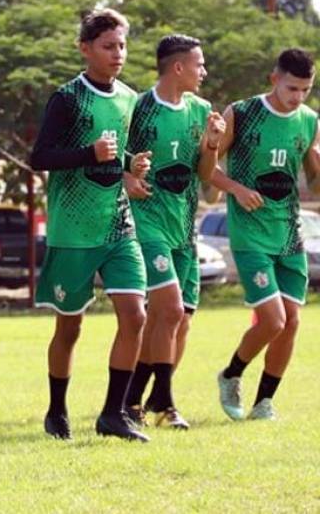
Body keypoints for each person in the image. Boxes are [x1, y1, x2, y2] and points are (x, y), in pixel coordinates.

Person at [29, 8, 152, 442]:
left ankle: (112, 414)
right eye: (108, 46)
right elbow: (39, 157)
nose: (118, 53)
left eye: (122, 45)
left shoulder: (130, 98)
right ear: (85, 49)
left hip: (118, 225)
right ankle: (56, 408)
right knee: (70, 327)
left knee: (135, 315)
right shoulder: (67, 98)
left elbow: (119, 157)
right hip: (73, 232)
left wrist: (132, 167)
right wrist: (89, 153)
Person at [122, 35, 224, 429]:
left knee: (180, 321)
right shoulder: (138, 108)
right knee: (170, 309)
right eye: (199, 65)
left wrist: (213, 145)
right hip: (147, 224)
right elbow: (115, 159)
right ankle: (164, 404)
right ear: (178, 67)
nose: (204, 72)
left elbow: (205, 178)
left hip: (185, 228)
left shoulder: (201, 110)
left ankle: (134, 400)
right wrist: (127, 177)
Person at [211, 48, 318, 422]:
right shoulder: (241, 113)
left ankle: (263, 403)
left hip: (289, 234)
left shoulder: (309, 121)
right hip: (250, 233)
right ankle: (231, 374)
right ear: (274, 79)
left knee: (292, 322)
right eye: (293, 88)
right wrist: (237, 189)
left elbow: (316, 186)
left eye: (306, 90)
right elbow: (206, 167)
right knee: (272, 320)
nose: (298, 97)